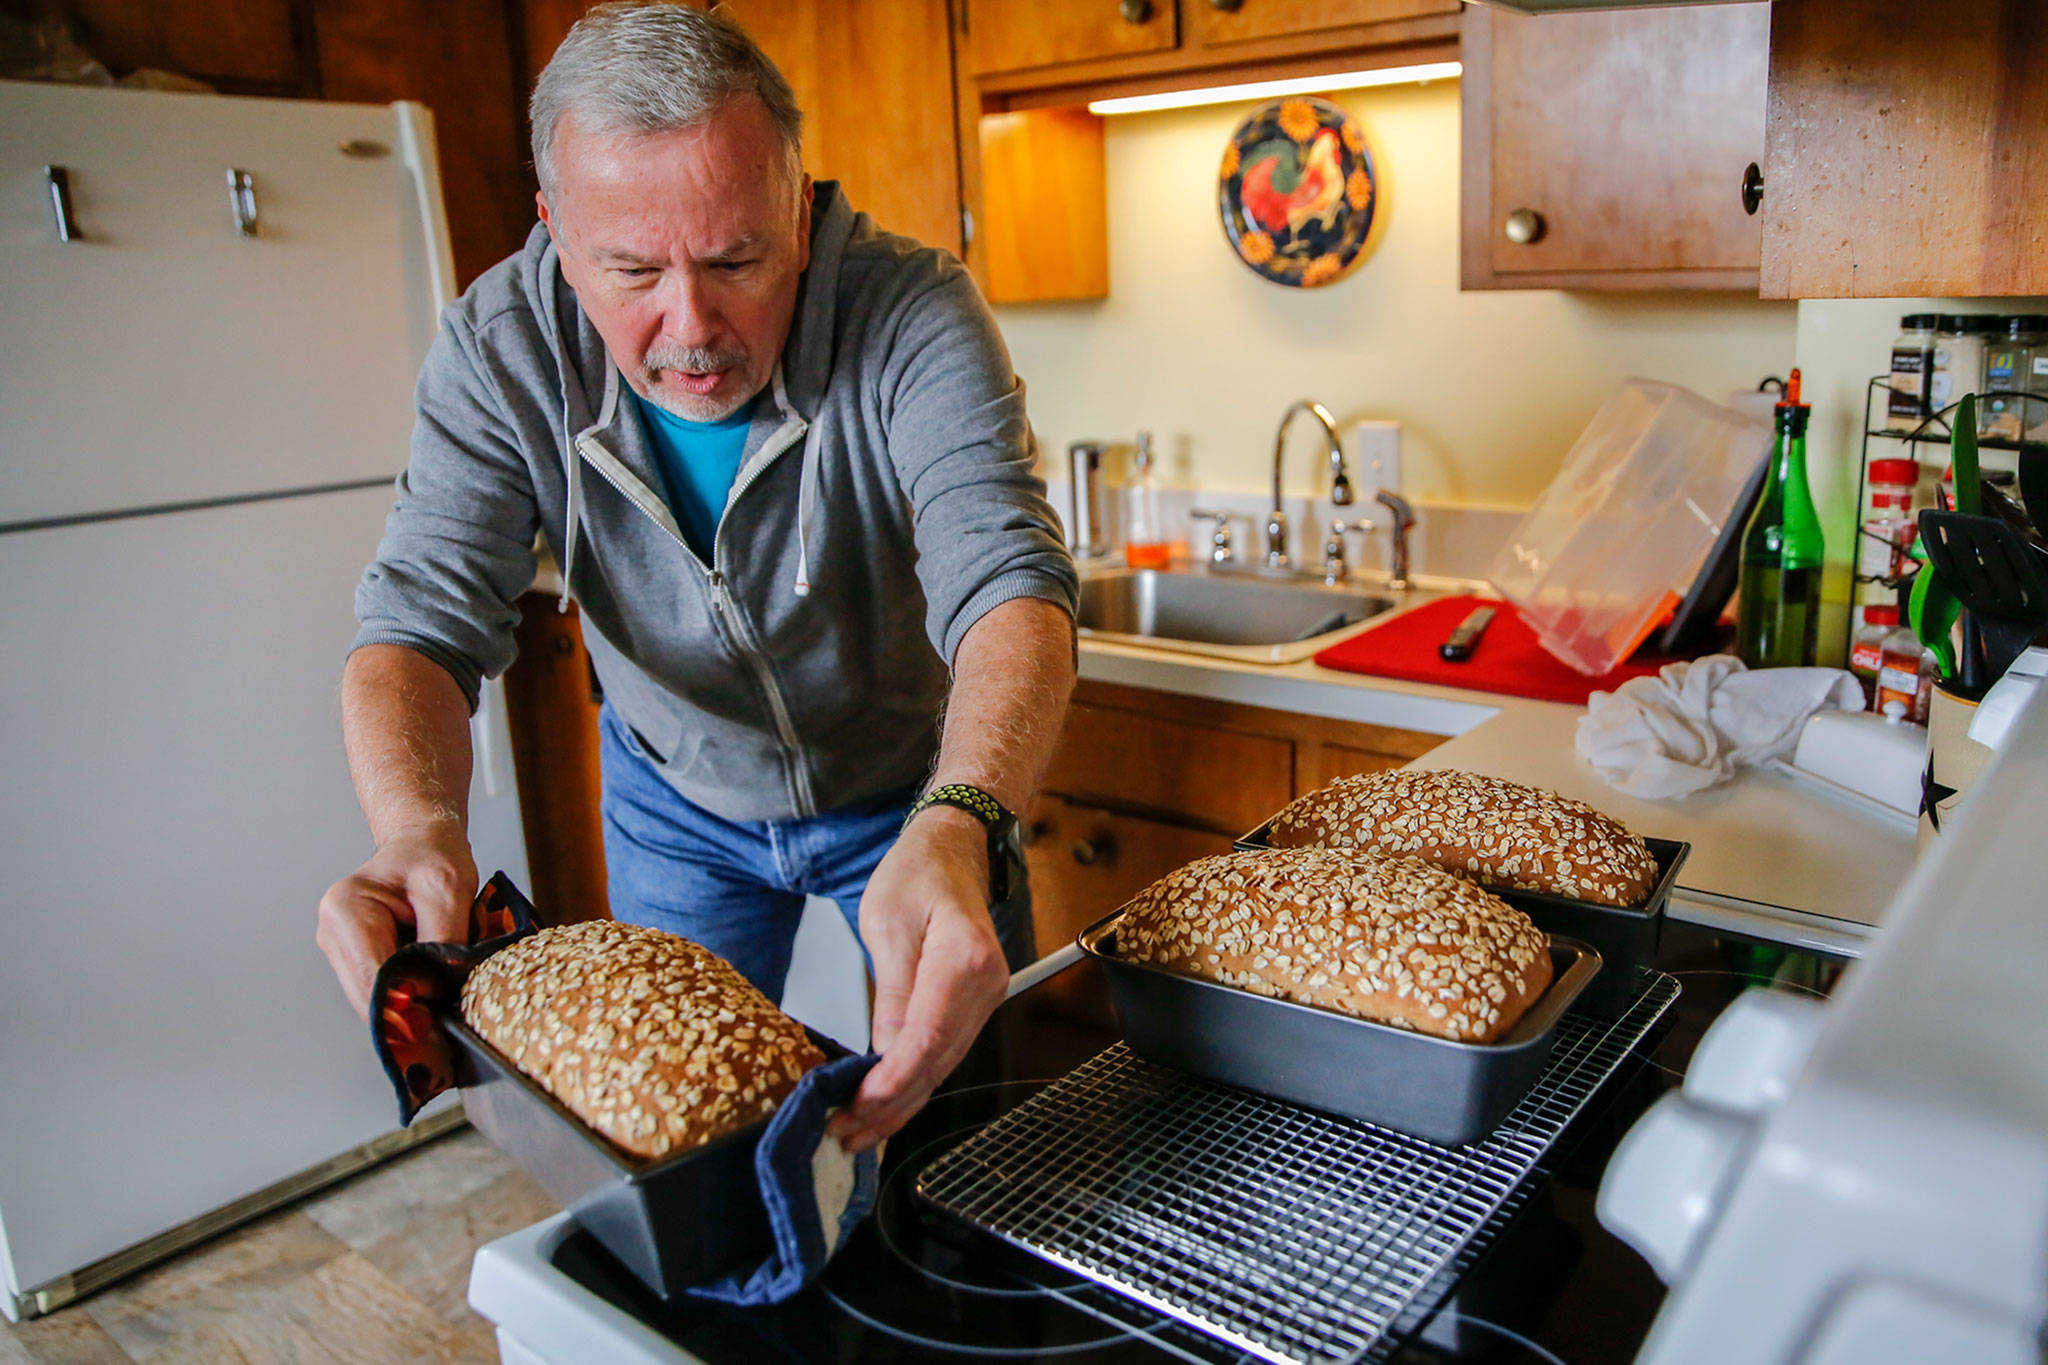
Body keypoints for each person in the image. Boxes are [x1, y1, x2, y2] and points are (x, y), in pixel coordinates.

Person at [315, 2, 1077, 1154]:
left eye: (736, 259)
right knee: (684, 1144)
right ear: (555, 234)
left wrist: (965, 809)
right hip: (676, 805)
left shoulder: (912, 310)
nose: (692, 329)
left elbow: (1008, 578)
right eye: (630, 271)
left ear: (799, 208)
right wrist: (415, 823)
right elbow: (416, 627)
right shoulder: (497, 347)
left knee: (964, 1134)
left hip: (913, 791)